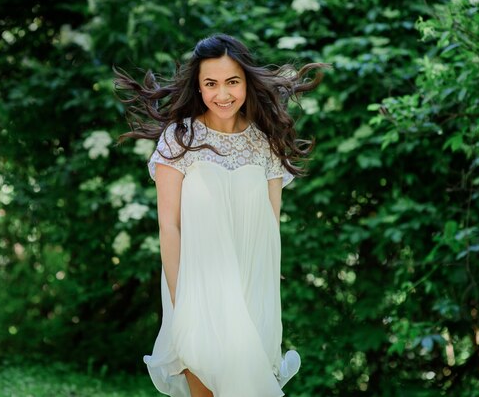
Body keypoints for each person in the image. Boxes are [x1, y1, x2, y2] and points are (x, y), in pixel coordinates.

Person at [114, 33, 327, 397]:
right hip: (197, 291)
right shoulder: (179, 139)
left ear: (246, 82)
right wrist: (182, 304)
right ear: (198, 87)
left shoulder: (265, 143)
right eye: (210, 84)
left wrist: (265, 299)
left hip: (251, 290)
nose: (222, 94)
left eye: (232, 82)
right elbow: (169, 225)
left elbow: (270, 226)